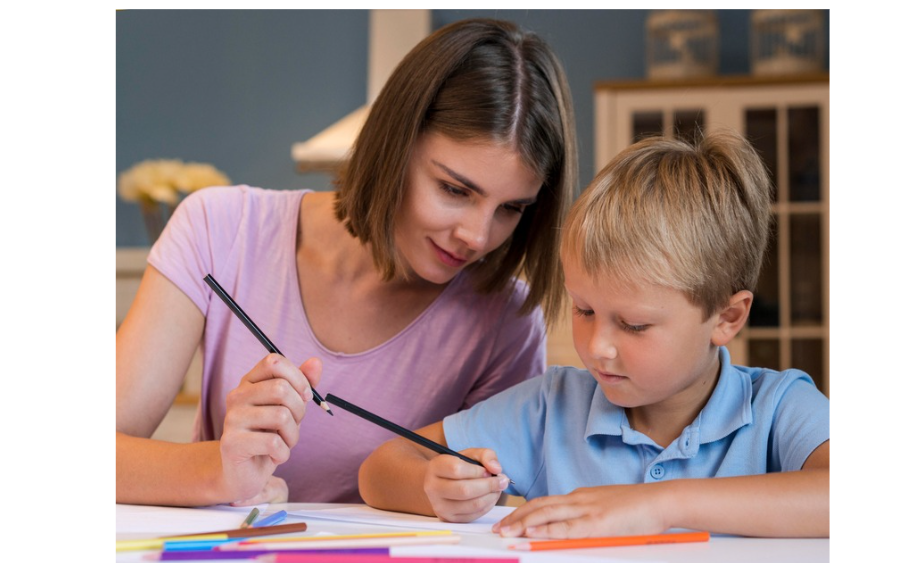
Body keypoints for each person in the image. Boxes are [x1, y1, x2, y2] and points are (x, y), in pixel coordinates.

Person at [116, 18, 578, 507]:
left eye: (511, 209)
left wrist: (461, 494)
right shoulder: (219, 229)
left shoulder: (506, 321)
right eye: (454, 190)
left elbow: (500, 507)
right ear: (395, 144)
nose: (477, 236)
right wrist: (220, 472)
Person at [358, 131, 830, 538]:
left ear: (727, 317)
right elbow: (381, 469)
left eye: (634, 325)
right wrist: (436, 490)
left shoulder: (778, 407)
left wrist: (659, 505)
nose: (597, 347)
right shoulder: (550, 408)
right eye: (583, 309)